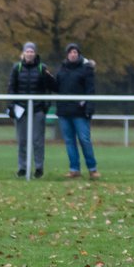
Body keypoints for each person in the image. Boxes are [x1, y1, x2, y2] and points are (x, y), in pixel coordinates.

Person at [6, 41, 56, 178]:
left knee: (37, 141)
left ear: (35, 53)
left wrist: (46, 105)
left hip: (37, 109)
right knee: (22, 140)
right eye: (27, 51)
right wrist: (11, 105)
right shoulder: (17, 68)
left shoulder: (42, 67)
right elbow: (11, 88)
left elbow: (48, 88)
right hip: (21, 109)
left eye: (32, 51)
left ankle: (39, 168)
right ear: (23, 53)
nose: (29, 53)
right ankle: (22, 167)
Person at [55, 42, 99, 179]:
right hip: (64, 111)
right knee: (69, 141)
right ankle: (74, 169)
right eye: (71, 52)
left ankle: (92, 169)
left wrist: (89, 108)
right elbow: (56, 86)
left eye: (75, 52)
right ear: (67, 54)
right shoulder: (61, 70)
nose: (73, 54)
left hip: (80, 112)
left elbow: (90, 90)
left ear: (78, 54)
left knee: (84, 140)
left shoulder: (86, 69)